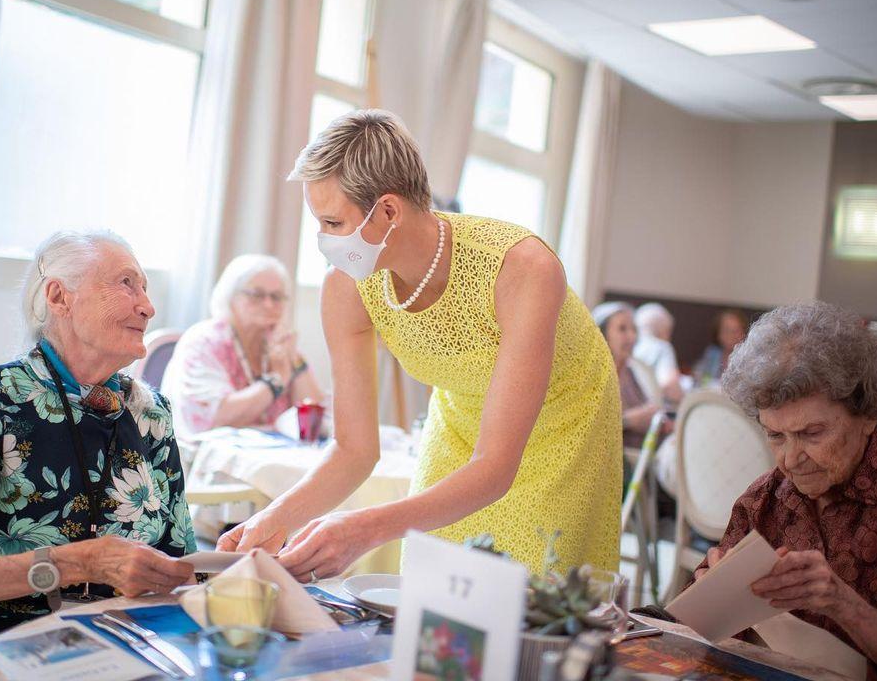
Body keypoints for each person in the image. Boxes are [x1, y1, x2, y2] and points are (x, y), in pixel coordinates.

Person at [219, 109, 622, 579]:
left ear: (388, 210)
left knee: (531, 598)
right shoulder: (347, 286)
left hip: (566, 423)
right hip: (459, 422)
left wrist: (363, 530)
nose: (321, 241)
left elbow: (495, 467)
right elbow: (353, 450)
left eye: (332, 222)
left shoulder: (523, 268)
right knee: (430, 582)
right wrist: (276, 518)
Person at [0, 231, 196, 631]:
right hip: (10, 644)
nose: (148, 307)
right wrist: (76, 564)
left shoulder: (152, 414)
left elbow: (182, 570)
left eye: (146, 289)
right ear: (59, 297)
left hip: (133, 642)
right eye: (126, 283)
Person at [693, 301, 877, 679]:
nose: (791, 458)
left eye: (812, 433)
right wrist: (716, 596)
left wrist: (840, 602)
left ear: (867, 416)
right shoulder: (763, 500)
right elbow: (704, 639)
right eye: (775, 435)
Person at [161, 254, 323, 441]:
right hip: (212, 460)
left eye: (277, 297)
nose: (269, 304)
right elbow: (217, 418)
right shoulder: (205, 341)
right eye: (257, 295)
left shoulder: (277, 344)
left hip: (265, 457)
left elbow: (314, 418)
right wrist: (276, 379)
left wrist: (293, 357)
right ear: (230, 297)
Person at [593, 302, 663, 450]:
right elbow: (588, 426)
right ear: (603, 334)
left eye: (634, 329)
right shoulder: (593, 375)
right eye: (622, 329)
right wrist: (628, 421)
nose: (632, 337)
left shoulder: (635, 371)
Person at [633, 302, 683, 403]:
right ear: (662, 330)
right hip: (652, 408)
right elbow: (670, 386)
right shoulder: (662, 347)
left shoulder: (630, 346)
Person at [692, 308, 749, 385]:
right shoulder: (712, 353)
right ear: (718, 334)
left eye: (735, 331)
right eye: (726, 330)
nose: (730, 335)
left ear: (743, 334)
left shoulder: (749, 358)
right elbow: (699, 374)